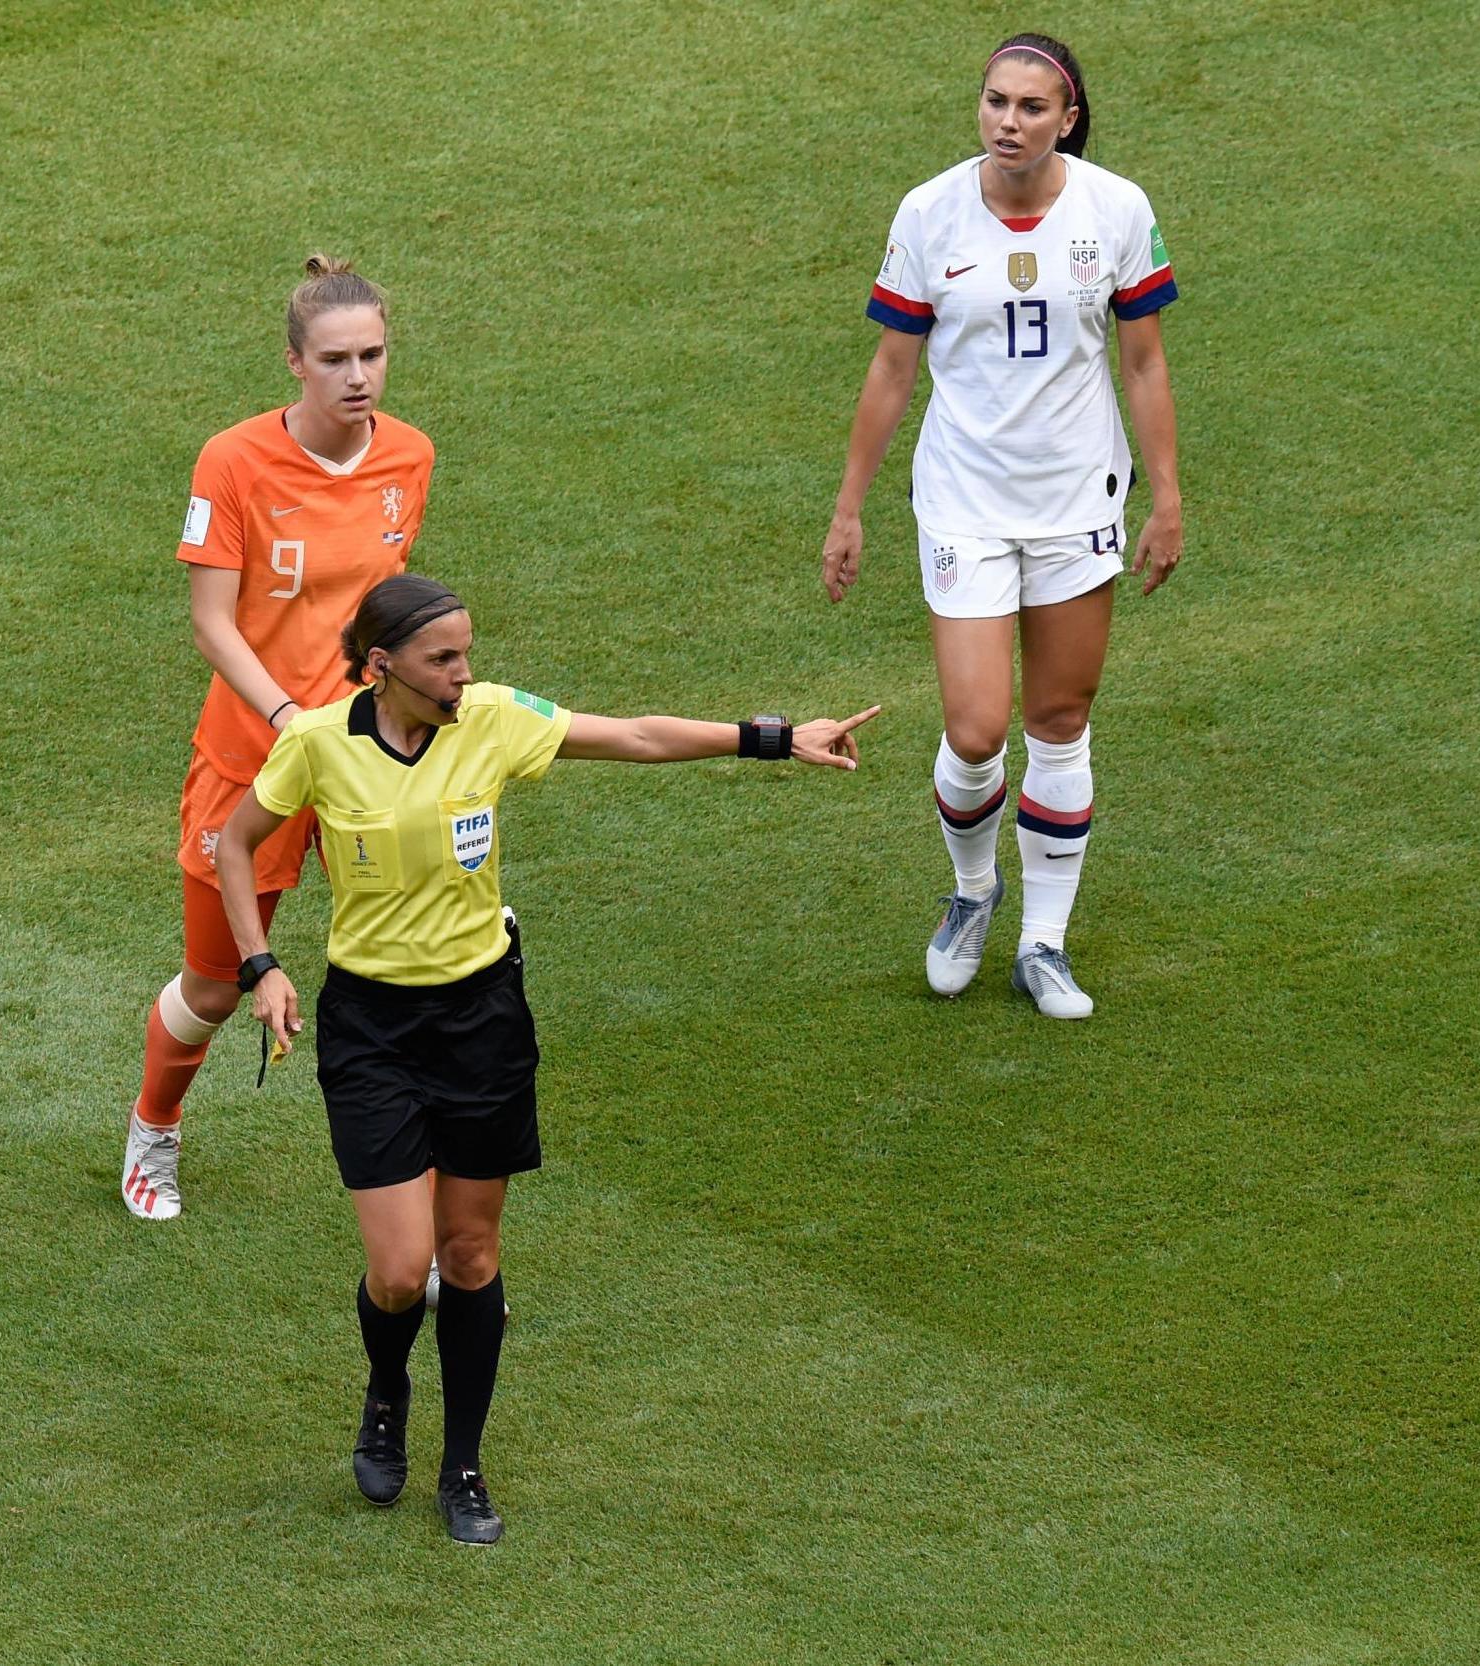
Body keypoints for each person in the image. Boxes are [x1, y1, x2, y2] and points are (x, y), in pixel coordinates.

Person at [217, 575, 878, 1543]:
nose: (464, 672)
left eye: (467, 652)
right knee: (401, 1270)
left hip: (481, 1017)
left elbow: (635, 735)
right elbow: (235, 847)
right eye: (443, 658)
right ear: (381, 667)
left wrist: (775, 736)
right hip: (370, 1027)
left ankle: (464, 1466)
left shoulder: (490, 720)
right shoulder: (317, 742)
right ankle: (388, 1391)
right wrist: (261, 967)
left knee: (471, 1254)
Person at [822, 31, 1182, 1019]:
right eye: (993, 103)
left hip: (1076, 500)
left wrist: (1166, 496)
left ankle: (1044, 941)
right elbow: (892, 368)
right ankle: (973, 891)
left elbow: (1143, 364)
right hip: (965, 500)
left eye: (1029, 108)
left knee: (1058, 721)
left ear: (1066, 119)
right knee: (977, 730)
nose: (1007, 123)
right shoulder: (928, 212)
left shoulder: (1116, 210)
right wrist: (849, 507)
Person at [123, 255, 432, 1221]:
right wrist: (290, 719)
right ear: (293, 362)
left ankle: (416, 1190)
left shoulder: (408, 457)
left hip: (361, 762)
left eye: (373, 354)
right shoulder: (233, 461)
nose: (358, 377)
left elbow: (380, 610)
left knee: (400, 971)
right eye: (336, 358)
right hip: (250, 759)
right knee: (215, 987)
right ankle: (153, 1130)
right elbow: (213, 620)